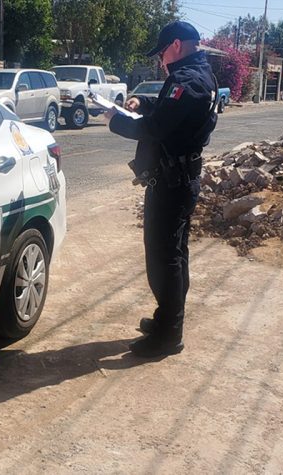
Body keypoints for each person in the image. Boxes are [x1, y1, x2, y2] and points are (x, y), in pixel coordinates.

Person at [104, 21, 218, 357]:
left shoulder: (188, 81)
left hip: (173, 183)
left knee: (163, 259)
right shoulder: (198, 75)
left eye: (162, 53)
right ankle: (168, 321)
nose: (161, 60)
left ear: (177, 45)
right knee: (175, 256)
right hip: (178, 179)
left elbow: (155, 129)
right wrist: (142, 102)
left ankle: (169, 335)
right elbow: (171, 112)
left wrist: (115, 120)